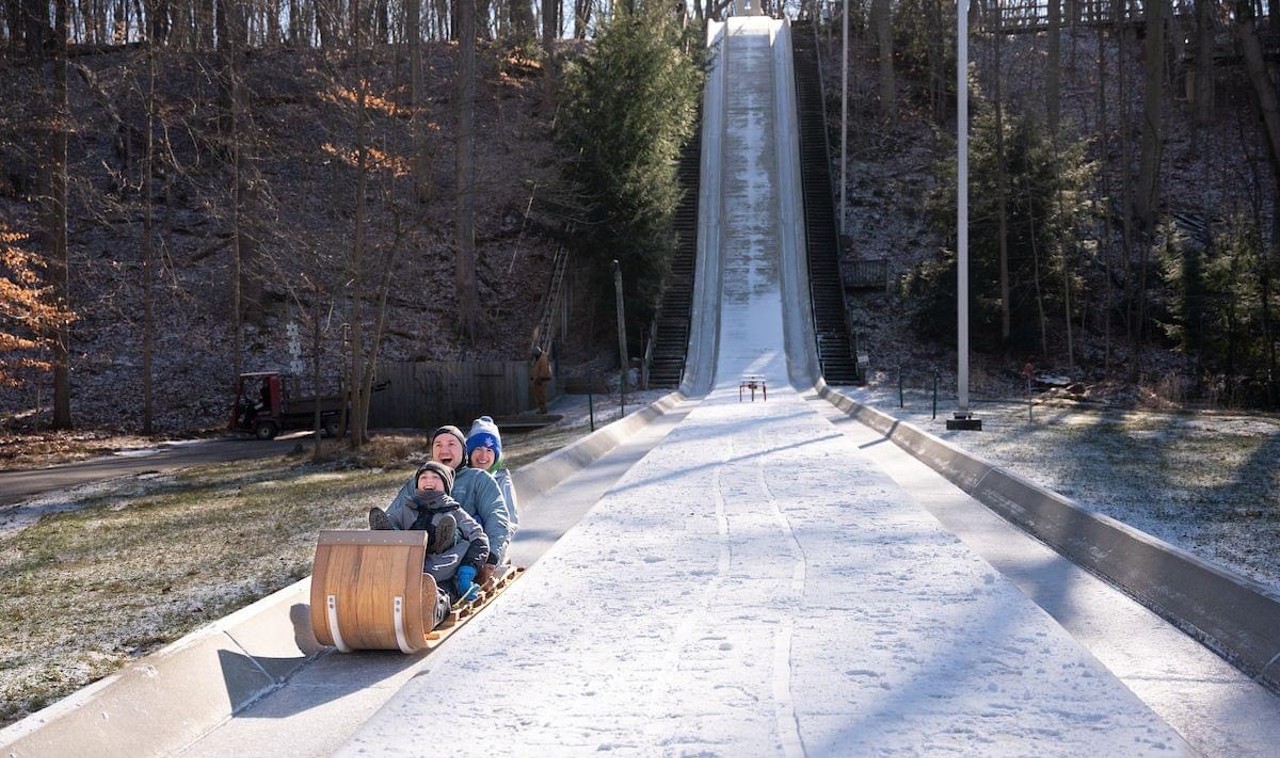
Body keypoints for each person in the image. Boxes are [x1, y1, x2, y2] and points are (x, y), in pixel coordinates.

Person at [384, 425, 513, 585]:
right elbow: (394, 513)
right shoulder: (420, 482)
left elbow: (497, 518)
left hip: (462, 558)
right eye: (438, 445)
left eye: (451, 444)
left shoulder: (478, 479)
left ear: (463, 450)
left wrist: (491, 558)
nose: (444, 450)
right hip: (418, 557)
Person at [369, 461, 489, 628]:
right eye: (423, 477)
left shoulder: (454, 511)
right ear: (417, 484)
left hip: (442, 570)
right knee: (393, 528)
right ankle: (391, 536)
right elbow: (391, 521)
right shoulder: (407, 509)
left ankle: (430, 611)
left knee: (437, 592)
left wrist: (467, 571)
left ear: (446, 485)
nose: (429, 481)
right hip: (408, 569)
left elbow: (480, 539)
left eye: (435, 477)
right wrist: (387, 531)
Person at [465, 416, 519, 528]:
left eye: (489, 450)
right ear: (469, 453)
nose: (483, 456)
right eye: (478, 449)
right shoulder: (461, 478)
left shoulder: (502, 480)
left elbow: (511, 521)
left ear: (496, 455)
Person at [530, 345, 552, 414]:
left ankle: (543, 409)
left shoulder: (542, 359)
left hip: (542, 380)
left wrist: (539, 378)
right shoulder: (539, 359)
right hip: (539, 379)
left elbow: (544, 370)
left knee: (541, 395)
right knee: (539, 395)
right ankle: (542, 409)